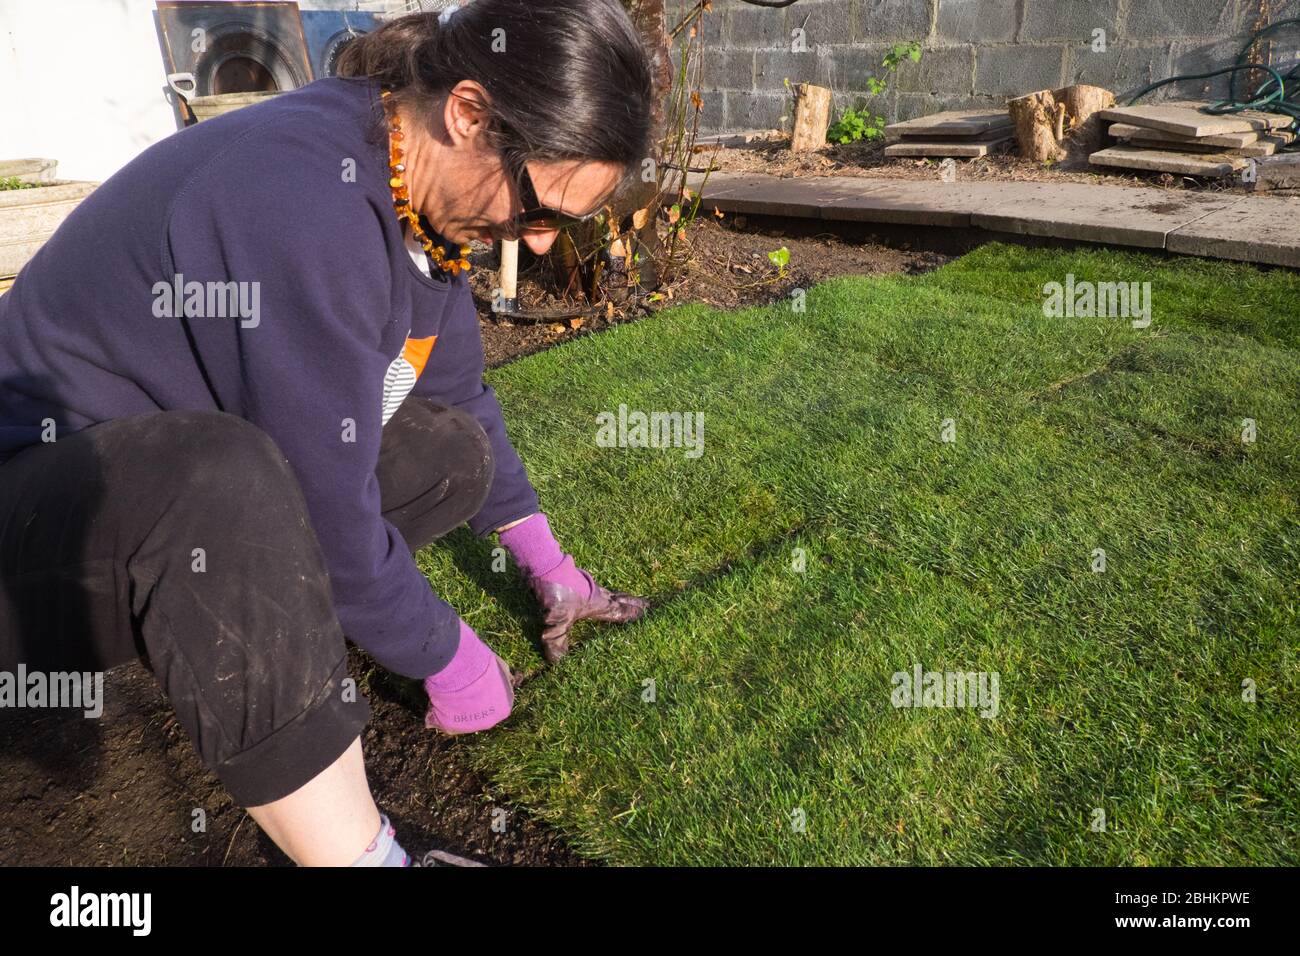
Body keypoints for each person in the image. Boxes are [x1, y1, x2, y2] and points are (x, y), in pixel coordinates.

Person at [0, 0, 653, 866]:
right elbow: (325, 509)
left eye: (564, 225)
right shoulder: (300, 200)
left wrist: (551, 568)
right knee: (224, 482)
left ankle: (274, 618)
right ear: (468, 114)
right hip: (37, 521)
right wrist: (443, 648)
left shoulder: (416, 196)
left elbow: (461, 392)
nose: (538, 246)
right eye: (540, 207)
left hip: (145, 488)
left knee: (450, 447)